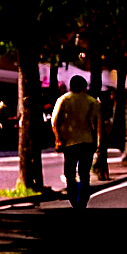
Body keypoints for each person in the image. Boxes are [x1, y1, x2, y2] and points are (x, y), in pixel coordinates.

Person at [52, 75, 102, 209]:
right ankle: (82, 201)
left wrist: (57, 138)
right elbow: (97, 125)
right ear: (85, 87)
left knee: (70, 174)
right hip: (87, 142)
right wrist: (98, 143)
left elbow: (54, 121)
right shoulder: (92, 102)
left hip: (69, 143)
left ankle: (73, 200)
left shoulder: (63, 100)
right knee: (84, 174)